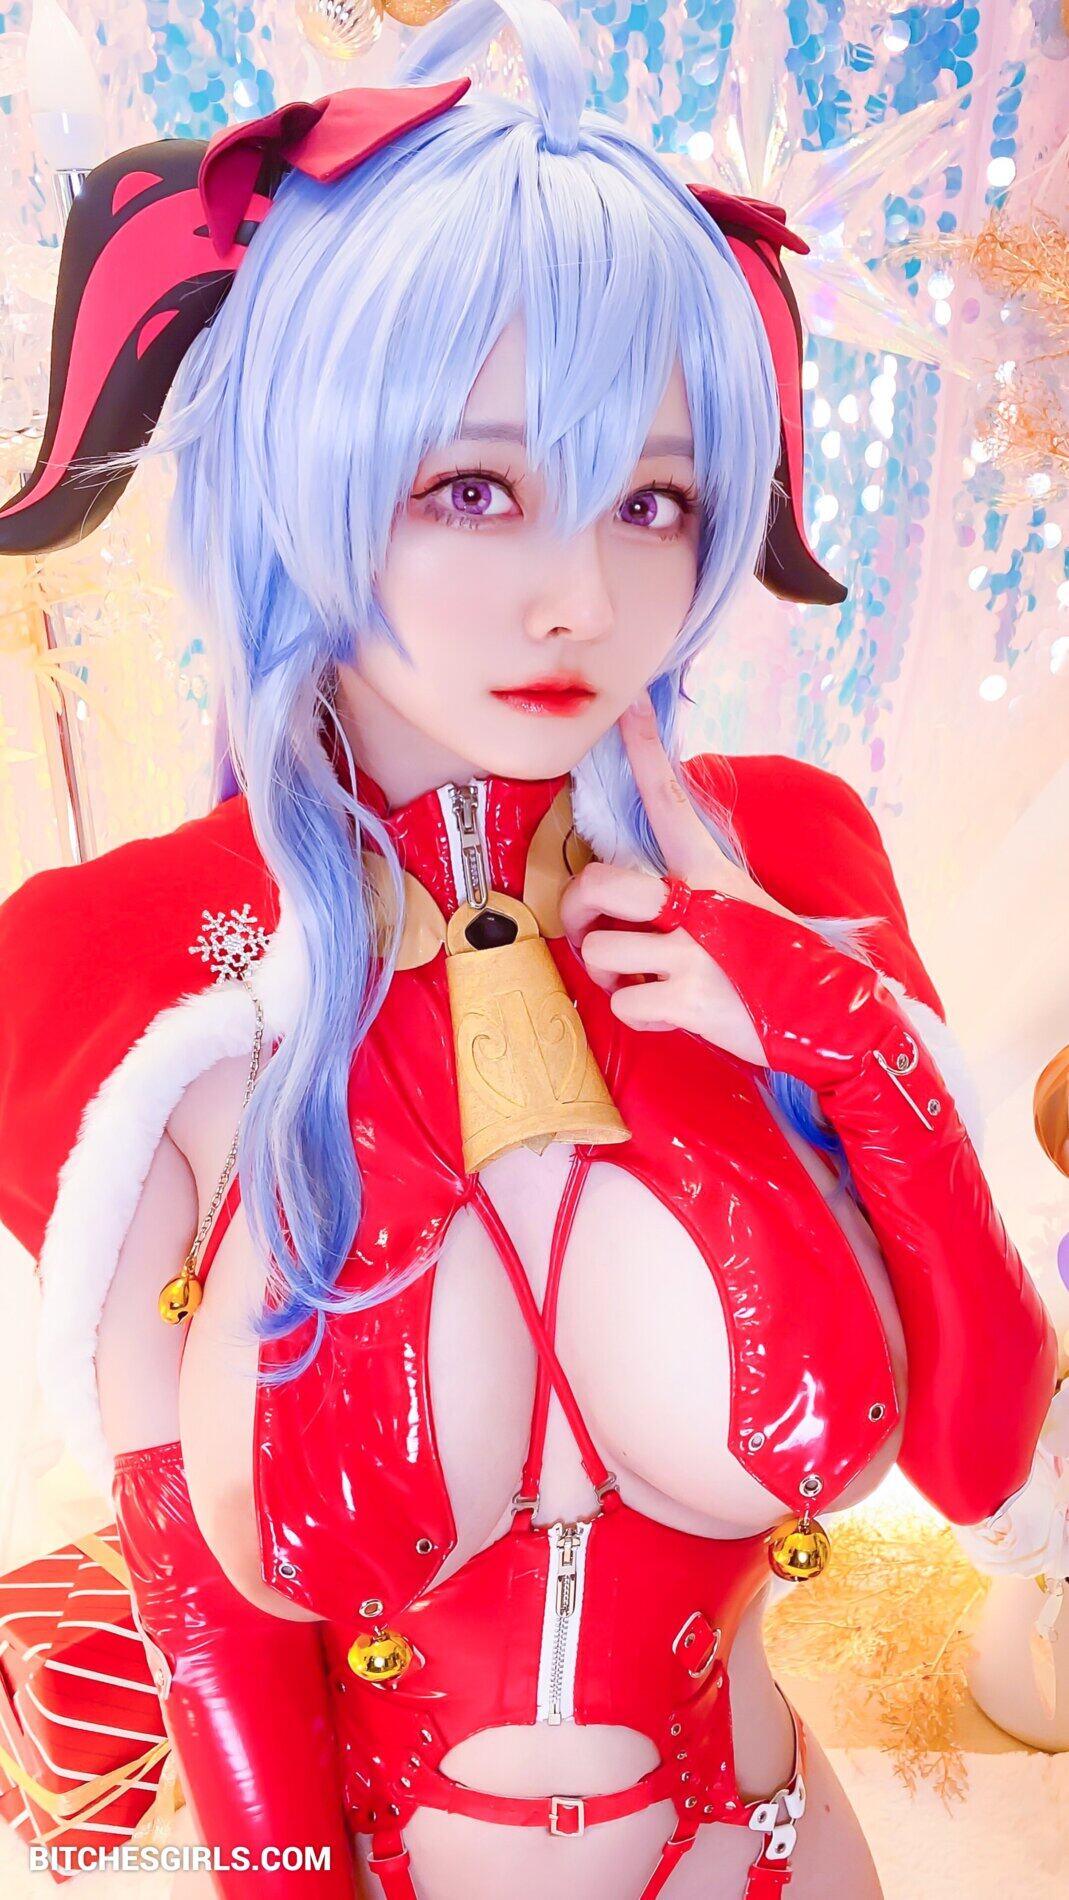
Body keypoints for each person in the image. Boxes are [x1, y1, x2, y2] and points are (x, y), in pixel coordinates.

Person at [0, 3, 1061, 1895]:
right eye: (472, 487)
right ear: (299, 476)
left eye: (652, 500)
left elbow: (984, 1464)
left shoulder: (781, 862)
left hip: (777, 1856)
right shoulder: (133, 961)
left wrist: (838, 1036)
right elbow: (214, 1642)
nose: (582, 594)